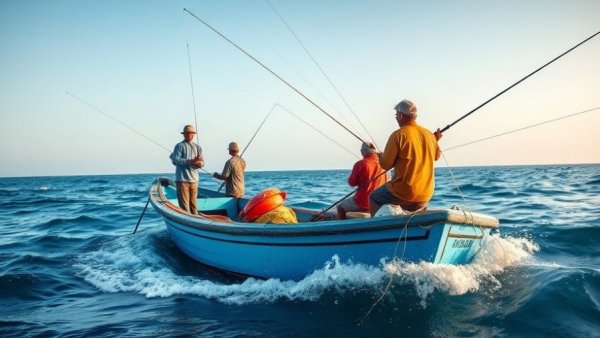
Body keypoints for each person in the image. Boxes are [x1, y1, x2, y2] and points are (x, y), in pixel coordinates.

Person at [369, 99, 442, 216]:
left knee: (374, 197)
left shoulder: (398, 135)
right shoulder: (429, 135)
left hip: (403, 192)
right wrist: (435, 140)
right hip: (426, 194)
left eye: (396, 115)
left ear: (401, 115)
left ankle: (375, 229)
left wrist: (380, 155)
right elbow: (436, 156)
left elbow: (385, 164)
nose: (396, 118)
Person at [336, 142, 386, 219]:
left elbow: (351, 183)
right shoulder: (383, 164)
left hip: (363, 202)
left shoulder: (360, 164)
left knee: (340, 207)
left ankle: (342, 226)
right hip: (379, 201)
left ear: (363, 151)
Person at [170, 124, 204, 214]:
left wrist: (199, 163)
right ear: (184, 134)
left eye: (192, 133)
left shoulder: (198, 148)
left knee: (194, 205)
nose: (190, 135)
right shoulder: (179, 146)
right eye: (188, 133)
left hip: (194, 180)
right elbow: (175, 160)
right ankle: (189, 220)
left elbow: (203, 162)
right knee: (185, 207)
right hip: (182, 180)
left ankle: (196, 221)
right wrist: (191, 161)